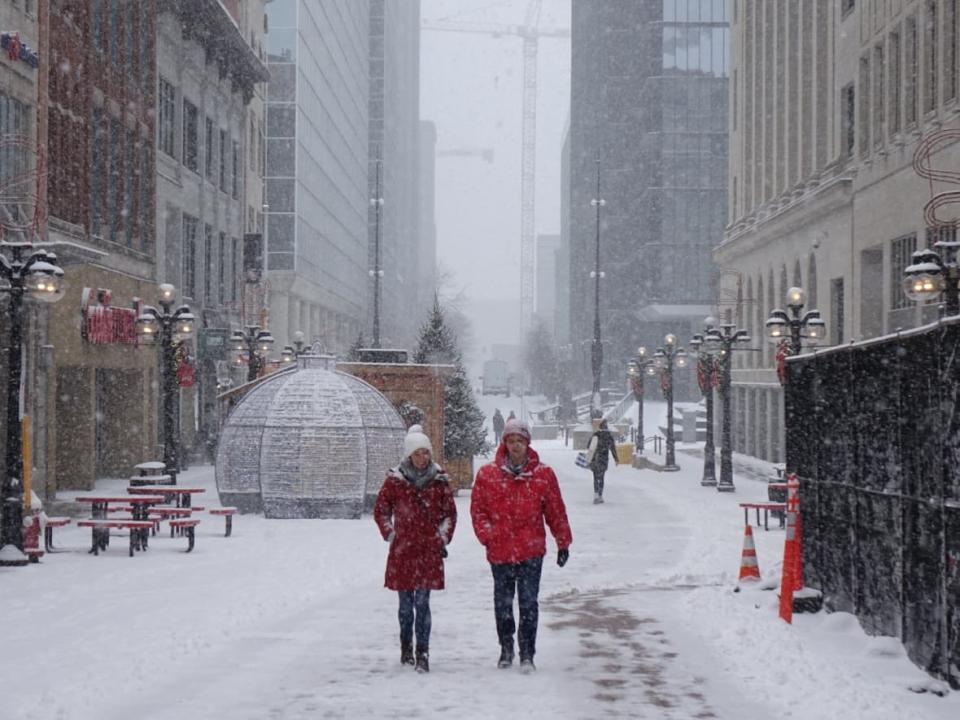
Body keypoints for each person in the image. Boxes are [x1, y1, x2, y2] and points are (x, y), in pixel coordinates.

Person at [471, 418, 572, 673]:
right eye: (511, 441)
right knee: (503, 604)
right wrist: (488, 535)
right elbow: (478, 511)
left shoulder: (543, 475)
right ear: (504, 443)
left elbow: (555, 510)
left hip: (530, 550)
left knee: (528, 604)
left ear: (528, 444)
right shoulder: (487, 475)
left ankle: (527, 652)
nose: (515, 446)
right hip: (500, 550)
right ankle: (506, 649)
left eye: (520, 441)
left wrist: (563, 542)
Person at [374, 424, 457, 673]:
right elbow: (381, 510)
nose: (424, 458)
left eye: (426, 453)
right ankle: (405, 649)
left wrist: (442, 538)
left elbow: (449, 515)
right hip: (403, 551)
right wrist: (390, 533)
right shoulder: (394, 482)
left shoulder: (439, 481)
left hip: (428, 551)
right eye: (418, 453)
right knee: (404, 606)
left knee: (422, 603)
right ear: (409, 455)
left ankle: (423, 652)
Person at [587, 419, 620, 504]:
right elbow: (613, 448)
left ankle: (595, 495)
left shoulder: (596, 435)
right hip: (603, 460)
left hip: (595, 459)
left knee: (595, 477)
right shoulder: (609, 436)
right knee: (601, 478)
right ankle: (600, 496)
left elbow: (589, 446)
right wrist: (616, 459)